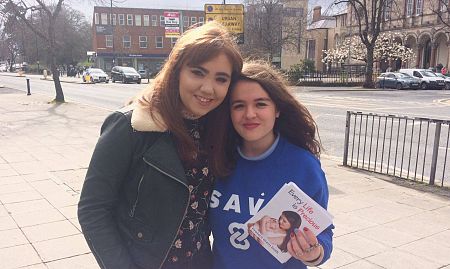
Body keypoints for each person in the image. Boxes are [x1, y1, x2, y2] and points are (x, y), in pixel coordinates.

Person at [77, 21, 243, 269]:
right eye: (198, 72)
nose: (208, 88)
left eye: (221, 78)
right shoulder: (131, 126)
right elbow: (93, 209)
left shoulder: (218, 129)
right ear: (177, 70)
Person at [209, 61, 333, 269]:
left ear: (277, 109)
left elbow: (323, 232)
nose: (249, 114)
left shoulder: (303, 166)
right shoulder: (216, 158)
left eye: (260, 104)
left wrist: (313, 253)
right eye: (239, 105)